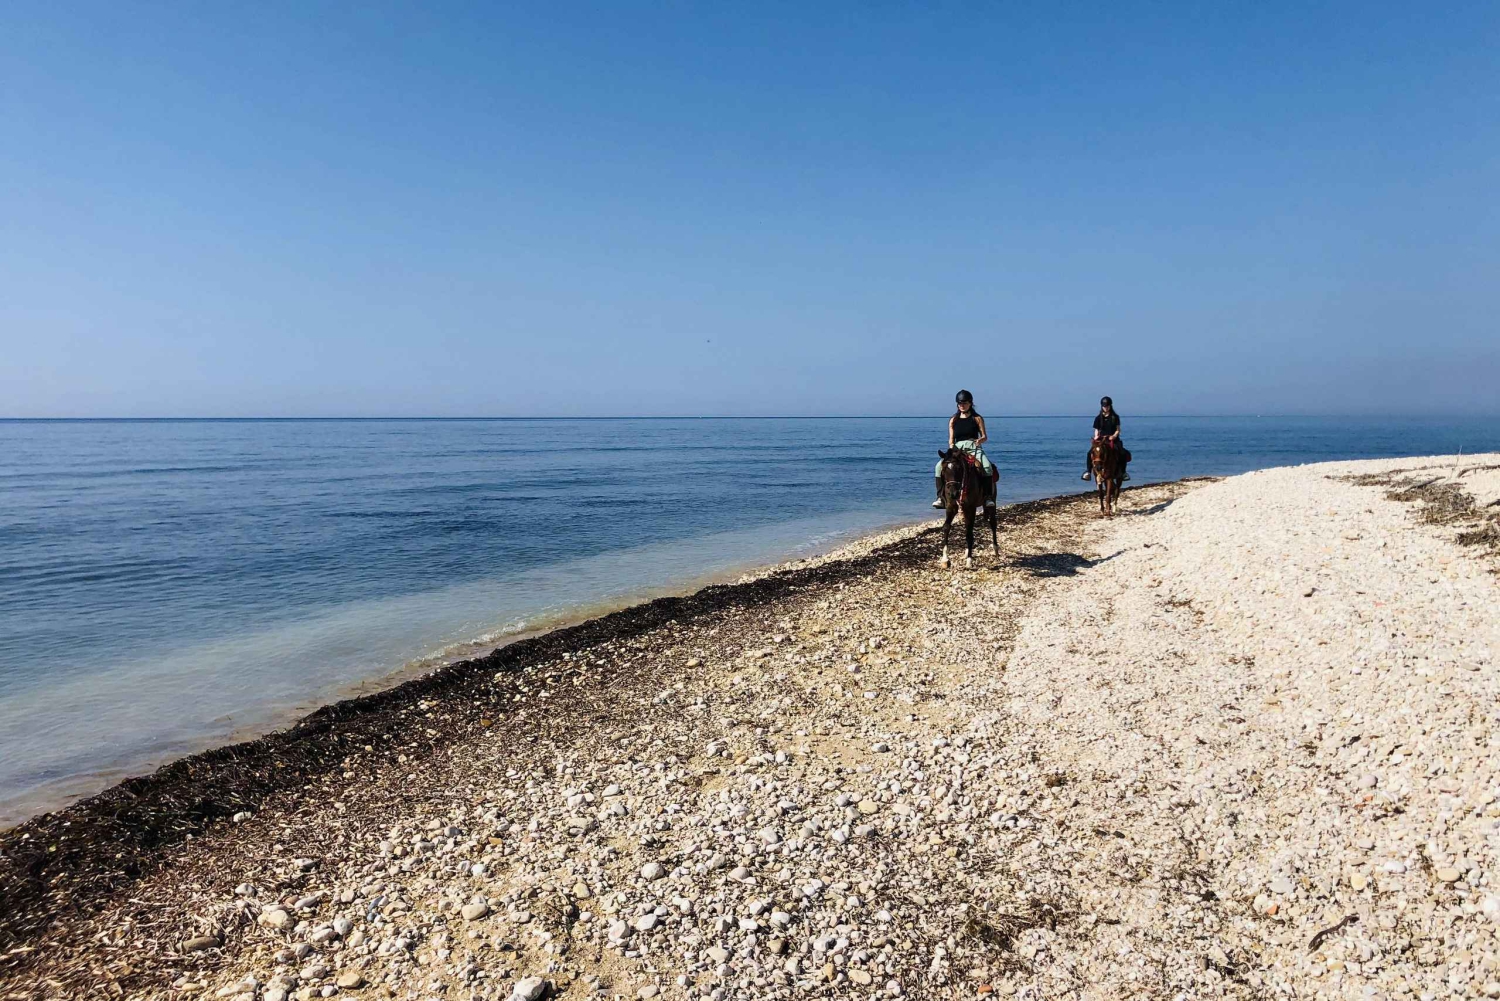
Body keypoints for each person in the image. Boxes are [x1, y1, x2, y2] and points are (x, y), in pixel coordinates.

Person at [933, 390, 997, 508]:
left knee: (987, 466)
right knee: (938, 467)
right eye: (960, 403)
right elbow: (951, 439)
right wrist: (952, 449)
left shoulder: (977, 418)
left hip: (973, 446)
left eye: (964, 403)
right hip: (957, 448)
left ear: (970, 403)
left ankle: (988, 497)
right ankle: (940, 498)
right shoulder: (953, 419)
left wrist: (979, 440)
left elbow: (984, 436)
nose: (962, 405)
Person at [1082, 395, 1131, 481]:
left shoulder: (1115, 417)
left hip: (1113, 439)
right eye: (1104, 406)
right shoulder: (1098, 418)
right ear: (1102, 406)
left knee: (1122, 453)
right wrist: (1096, 436)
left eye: (1107, 406)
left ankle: (1123, 472)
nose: (1106, 408)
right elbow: (1096, 430)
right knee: (1089, 453)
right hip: (1101, 439)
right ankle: (1088, 472)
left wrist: (1114, 436)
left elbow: (1118, 430)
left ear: (1110, 406)